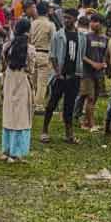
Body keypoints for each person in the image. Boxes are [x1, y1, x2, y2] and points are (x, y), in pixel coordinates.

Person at [41, 8, 86, 144]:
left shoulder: (81, 37)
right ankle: (44, 130)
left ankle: (69, 134)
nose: (66, 20)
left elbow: (81, 55)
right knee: (52, 103)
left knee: (69, 105)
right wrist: (58, 72)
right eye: (64, 18)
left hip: (74, 76)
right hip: (61, 76)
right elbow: (53, 55)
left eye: (69, 18)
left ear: (75, 19)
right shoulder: (58, 35)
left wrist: (79, 72)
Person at [1, 18, 34, 163]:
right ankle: (17, 152)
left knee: (9, 112)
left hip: (9, 78)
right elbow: (31, 69)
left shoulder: (7, 46)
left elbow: (4, 63)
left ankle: (6, 149)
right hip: (22, 79)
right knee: (21, 115)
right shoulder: (30, 49)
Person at [80, 13, 108, 131]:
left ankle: (86, 121)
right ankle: (91, 124)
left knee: (95, 97)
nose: (92, 23)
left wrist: (104, 64)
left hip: (99, 73)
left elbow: (105, 55)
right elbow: (81, 55)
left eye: (95, 21)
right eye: (91, 21)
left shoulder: (105, 39)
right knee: (90, 97)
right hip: (87, 72)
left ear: (101, 24)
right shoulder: (86, 37)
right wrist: (93, 64)